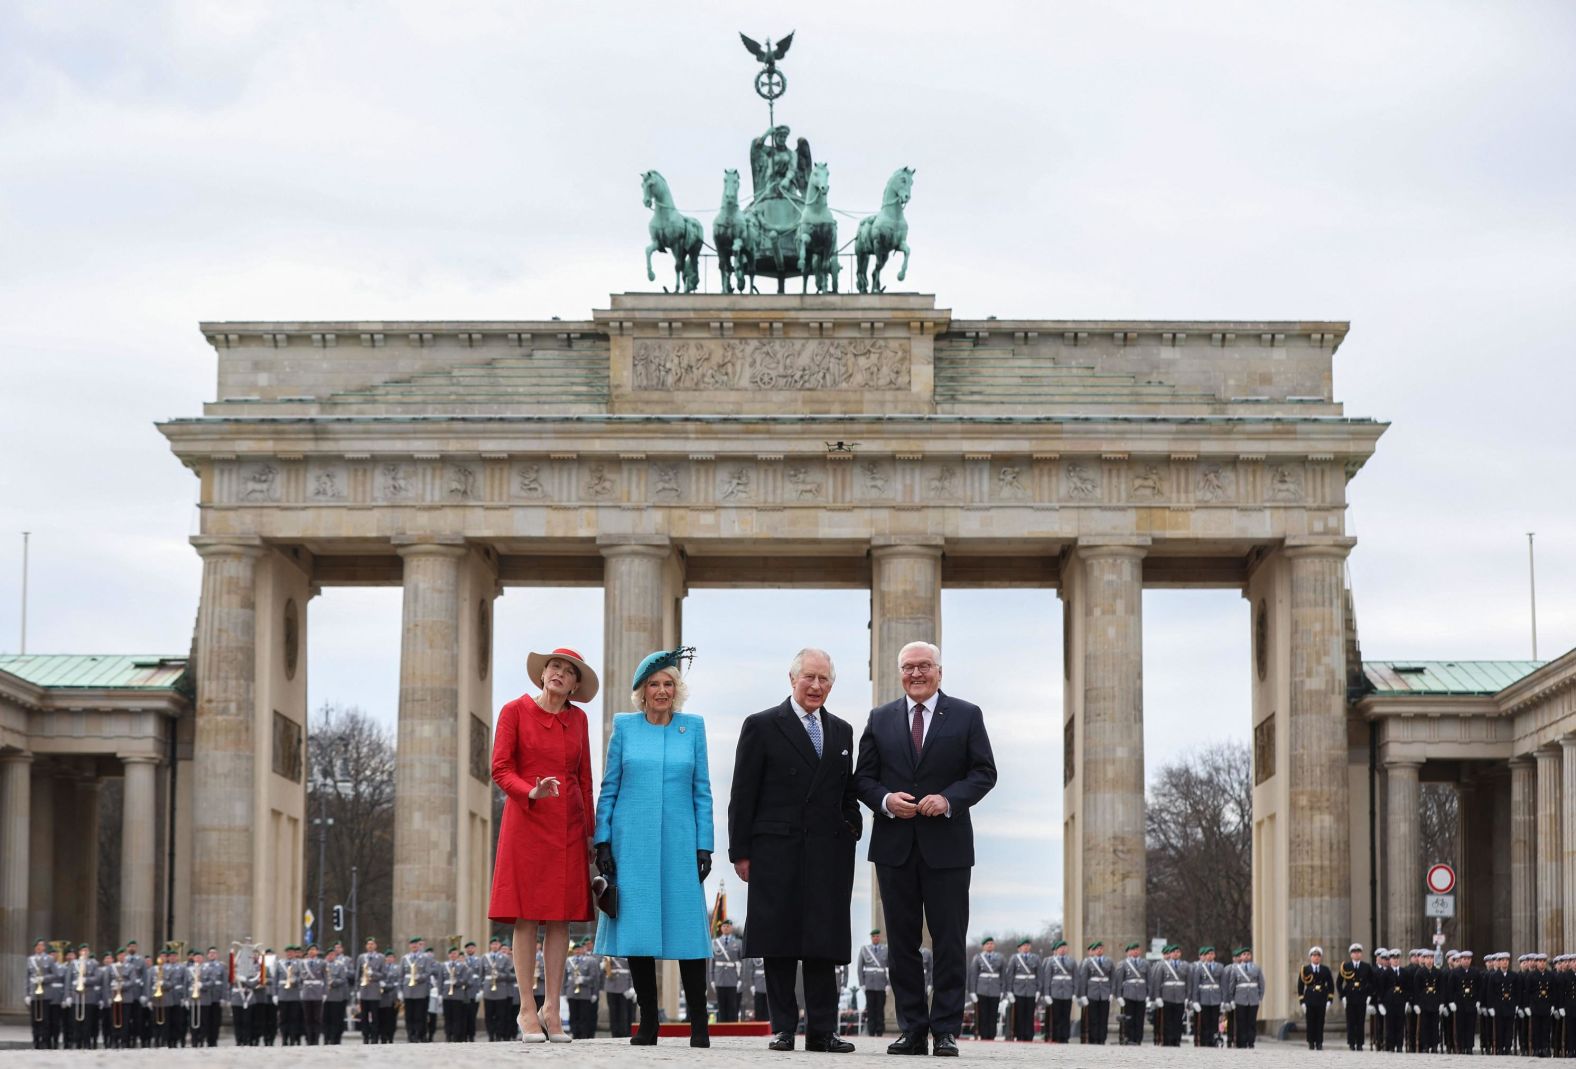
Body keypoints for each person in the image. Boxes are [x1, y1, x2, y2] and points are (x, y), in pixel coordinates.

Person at [854, 640, 997, 1057]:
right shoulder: (879, 719)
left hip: (948, 847)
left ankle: (947, 1029)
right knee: (901, 943)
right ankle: (913, 1029)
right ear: (900, 673)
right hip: (894, 846)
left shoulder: (968, 715)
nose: (916, 674)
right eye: (908, 668)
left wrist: (950, 799)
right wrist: (885, 800)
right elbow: (862, 778)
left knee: (949, 940)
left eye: (924, 667)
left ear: (939, 671)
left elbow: (984, 772)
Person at [728, 646, 862, 1054]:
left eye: (824, 680)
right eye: (809, 677)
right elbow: (742, 793)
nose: (816, 686)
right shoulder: (763, 724)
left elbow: (846, 790)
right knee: (780, 942)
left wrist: (851, 825)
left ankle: (823, 1030)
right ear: (792, 679)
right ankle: (784, 1027)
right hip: (776, 849)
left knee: (824, 943)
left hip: (828, 850)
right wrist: (740, 852)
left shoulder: (842, 730)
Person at [592, 646, 714, 1047]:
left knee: (689, 933)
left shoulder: (692, 727)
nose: (661, 691)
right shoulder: (625, 727)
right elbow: (609, 787)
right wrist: (603, 840)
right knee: (638, 931)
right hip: (633, 843)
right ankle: (649, 1022)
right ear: (641, 692)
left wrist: (704, 845)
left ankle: (699, 1022)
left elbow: (702, 791)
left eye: (668, 684)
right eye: (654, 685)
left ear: (676, 690)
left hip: (680, 843)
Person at [489, 646, 598, 1044]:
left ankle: (553, 1007)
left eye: (568, 672)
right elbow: (500, 768)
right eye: (554, 667)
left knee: (561, 916)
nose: (559, 674)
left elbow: (585, 778)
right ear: (542, 674)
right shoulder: (514, 711)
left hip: (568, 824)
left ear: (574, 685)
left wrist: (590, 832)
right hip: (527, 819)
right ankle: (527, 1008)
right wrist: (530, 791)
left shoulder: (579, 719)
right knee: (527, 915)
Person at [1222, 945, 1262, 1047]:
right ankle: (1242, 1042)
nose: (1246, 956)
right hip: (1240, 999)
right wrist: (1231, 999)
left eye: (1248, 954)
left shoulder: (1256, 968)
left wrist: (1260, 997)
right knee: (1241, 1022)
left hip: (1253, 999)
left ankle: (1251, 1042)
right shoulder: (1236, 969)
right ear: (1241, 957)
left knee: (1252, 1022)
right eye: (1244, 954)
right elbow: (1232, 985)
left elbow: (1261, 983)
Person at [967, 937, 1005, 1040]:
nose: (990, 945)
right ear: (983, 946)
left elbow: (1003, 975)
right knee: (983, 1013)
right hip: (981, 989)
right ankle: (983, 1034)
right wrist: (972, 991)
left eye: (992, 943)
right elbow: (973, 975)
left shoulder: (1000, 958)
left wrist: (1002, 990)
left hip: (995, 989)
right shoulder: (978, 958)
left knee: (993, 1013)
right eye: (987, 944)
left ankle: (992, 1035)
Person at [1038, 939, 1075, 1043]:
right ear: (1056, 950)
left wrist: (1075, 992)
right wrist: (1046, 993)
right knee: (1056, 1016)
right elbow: (1047, 978)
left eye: (1064, 947)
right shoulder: (1050, 961)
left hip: (1067, 992)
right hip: (1055, 992)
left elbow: (1075, 977)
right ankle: (1055, 1036)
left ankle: (1065, 1037)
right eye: (1060, 948)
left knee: (1066, 1016)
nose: (1063, 950)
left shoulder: (1071, 961)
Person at [565, 940, 602, 1038]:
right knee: (573, 1015)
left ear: (583, 950)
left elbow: (594, 978)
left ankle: (583, 1035)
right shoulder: (568, 961)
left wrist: (584, 980)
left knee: (584, 1016)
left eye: (579, 949)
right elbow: (564, 977)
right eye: (575, 949)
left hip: (585, 993)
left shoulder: (591, 961)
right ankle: (575, 1033)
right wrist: (563, 992)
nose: (577, 951)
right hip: (571, 992)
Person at [1188, 946, 1223, 1047]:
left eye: (1212, 954)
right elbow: (1195, 985)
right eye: (1208, 954)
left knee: (1214, 1020)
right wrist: (1195, 1001)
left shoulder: (1220, 967)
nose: (1209, 956)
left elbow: (1223, 984)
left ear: (1214, 955)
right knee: (1205, 1021)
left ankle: (1214, 1040)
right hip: (1204, 998)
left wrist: (1224, 1000)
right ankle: (1205, 1041)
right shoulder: (1199, 968)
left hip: (1216, 997)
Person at [1005, 939, 1040, 1042]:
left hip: (1031, 989)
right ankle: (1019, 1034)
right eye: (1024, 945)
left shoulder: (1036, 958)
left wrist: (1038, 989)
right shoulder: (1014, 958)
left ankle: (1029, 1035)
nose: (1026, 947)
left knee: (1030, 1014)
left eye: (1028, 945)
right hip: (1018, 989)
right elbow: (1010, 975)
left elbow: (1039, 975)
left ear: (1030, 947)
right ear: (1020, 948)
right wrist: (1009, 991)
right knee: (1019, 1014)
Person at [710, 918, 744, 1022]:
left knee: (732, 1005)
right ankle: (722, 1027)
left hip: (733, 978)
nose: (726, 928)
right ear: (720, 928)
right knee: (721, 1005)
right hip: (719, 977)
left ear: (731, 928)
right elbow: (711, 963)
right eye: (724, 926)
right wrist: (712, 979)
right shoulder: (714, 943)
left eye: (728, 926)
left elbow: (742, 963)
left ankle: (733, 1027)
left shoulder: (738, 943)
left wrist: (740, 979)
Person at [857, 930, 889, 1035]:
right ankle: (871, 1031)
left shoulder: (885, 950)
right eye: (874, 936)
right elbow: (860, 967)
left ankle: (879, 1030)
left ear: (879, 938)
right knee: (870, 1009)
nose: (876, 938)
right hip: (869, 984)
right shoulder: (865, 949)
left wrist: (888, 984)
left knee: (880, 1009)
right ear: (871, 938)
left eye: (877, 936)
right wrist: (862, 983)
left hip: (881, 984)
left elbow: (889, 968)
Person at [604, 955, 635, 1038]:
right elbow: (604, 972)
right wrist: (603, 966)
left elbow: (633, 971)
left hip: (625, 988)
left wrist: (633, 987)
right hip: (611, 987)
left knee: (624, 1012)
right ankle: (614, 1033)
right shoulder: (608, 956)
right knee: (613, 1012)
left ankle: (625, 1033)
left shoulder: (627, 956)